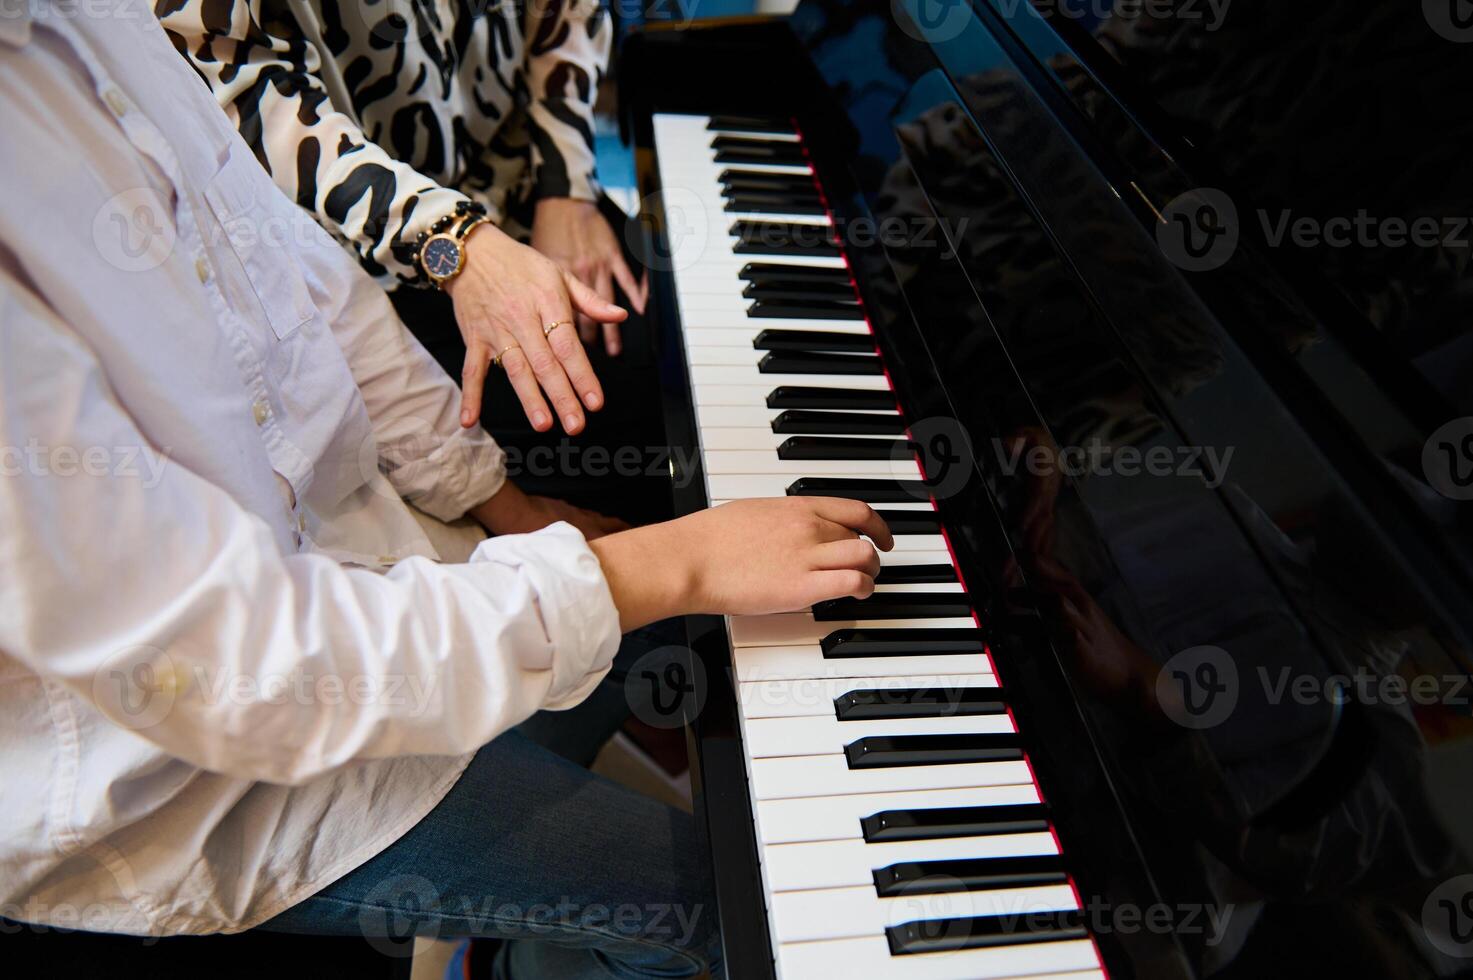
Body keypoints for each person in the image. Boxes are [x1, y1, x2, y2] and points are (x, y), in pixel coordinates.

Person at [0, 4, 892, 978]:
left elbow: (309, 285)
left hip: (365, 552)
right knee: (720, 901)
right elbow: (235, 662)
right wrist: (672, 558)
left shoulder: (85, 19)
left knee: (697, 633)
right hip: (190, 769)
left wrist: (504, 502)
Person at [156, 0, 649, 437]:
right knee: (609, 441)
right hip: (371, 257)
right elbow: (246, 90)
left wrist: (566, 186)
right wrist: (453, 238)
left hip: (529, 169)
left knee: (669, 360)